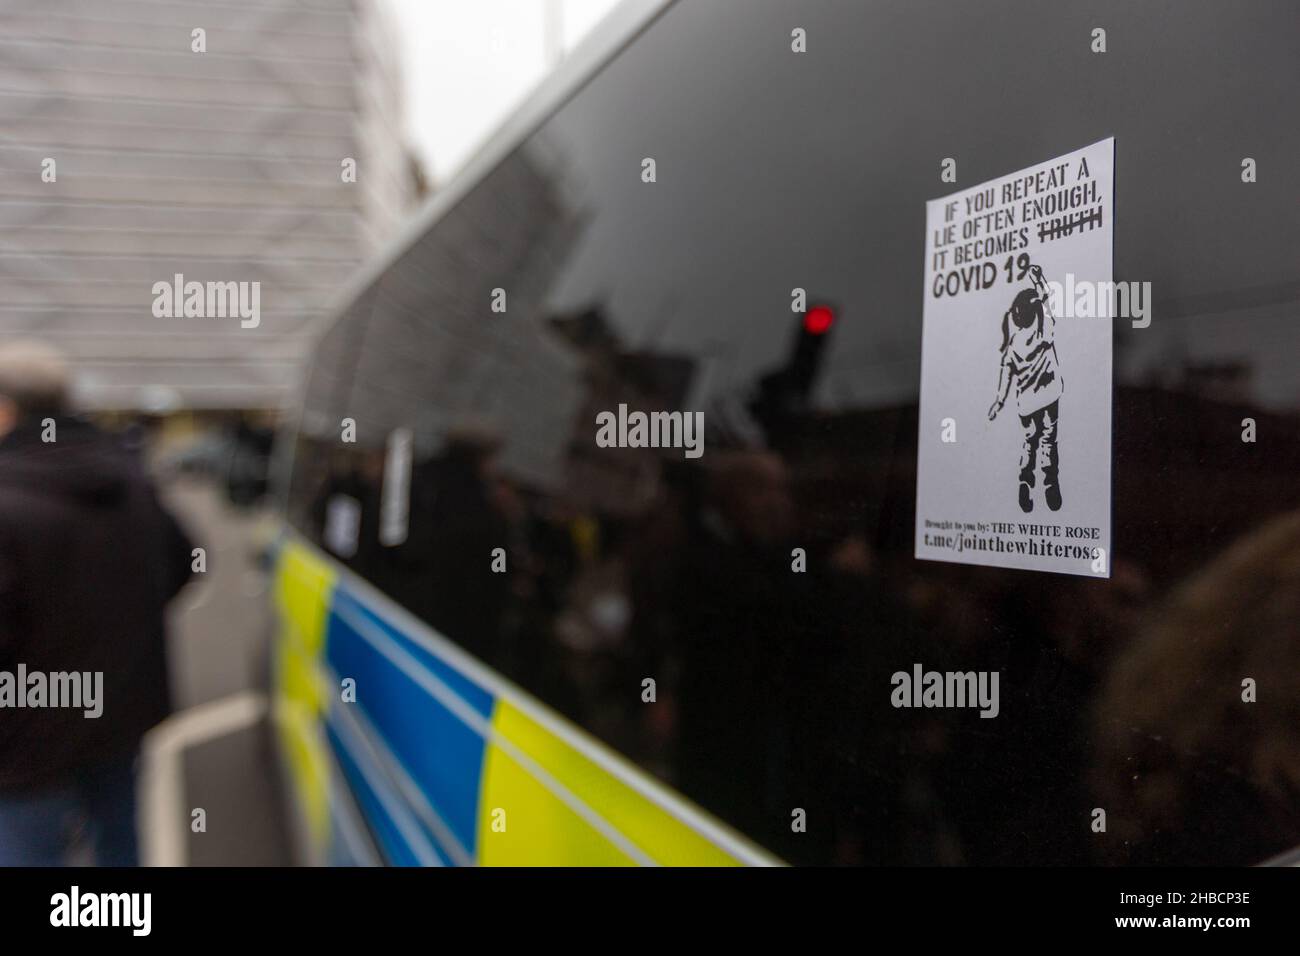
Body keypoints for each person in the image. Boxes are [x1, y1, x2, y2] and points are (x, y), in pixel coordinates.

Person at [0, 341, 195, 865]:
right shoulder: (129, 479)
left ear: (6, 410)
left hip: (23, 740)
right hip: (118, 714)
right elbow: (187, 563)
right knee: (117, 843)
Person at [988, 263, 1064, 513]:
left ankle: (1025, 481)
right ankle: (1050, 482)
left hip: (1026, 403)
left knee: (1029, 442)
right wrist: (1038, 279)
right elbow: (1046, 299)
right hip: (1050, 395)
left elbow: (1005, 375)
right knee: (1048, 440)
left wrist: (999, 402)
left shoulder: (1013, 344)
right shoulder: (1045, 331)